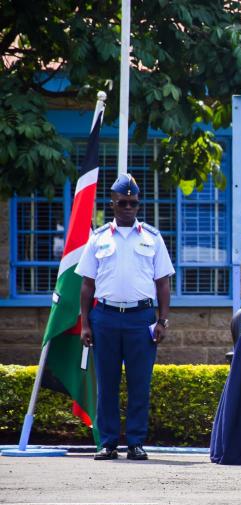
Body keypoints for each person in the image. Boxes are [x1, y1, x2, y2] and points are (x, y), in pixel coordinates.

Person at [77, 173, 175, 461]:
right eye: (123, 202)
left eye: (133, 203)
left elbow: (163, 283)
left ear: (138, 204)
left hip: (141, 318)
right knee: (106, 384)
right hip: (105, 317)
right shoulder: (98, 238)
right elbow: (87, 284)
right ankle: (107, 443)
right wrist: (85, 323)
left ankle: (135, 442)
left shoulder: (153, 238)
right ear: (113, 204)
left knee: (139, 384)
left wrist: (163, 320)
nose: (128, 207)